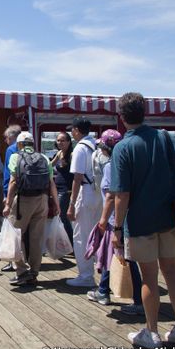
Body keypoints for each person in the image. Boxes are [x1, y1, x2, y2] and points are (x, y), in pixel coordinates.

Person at [111, 92, 175, 349]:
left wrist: (116, 228)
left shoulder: (123, 147)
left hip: (140, 224)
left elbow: (122, 195)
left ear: (122, 117)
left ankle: (152, 333)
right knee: (172, 271)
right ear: (144, 112)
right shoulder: (165, 137)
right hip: (170, 219)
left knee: (149, 278)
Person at [86, 129, 144, 316]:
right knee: (114, 255)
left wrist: (103, 220)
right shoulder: (131, 164)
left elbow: (111, 195)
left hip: (116, 220)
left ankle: (138, 301)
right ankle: (103, 291)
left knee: (126, 258)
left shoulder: (112, 166)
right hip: (131, 217)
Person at [3, 131, 60, 286]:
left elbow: (13, 182)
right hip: (42, 200)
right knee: (37, 237)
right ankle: (34, 272)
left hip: (23, 201)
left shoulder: (16, 157)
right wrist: (56, 203)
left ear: (20, 144)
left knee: (15, 235)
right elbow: (51, 183)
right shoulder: (44, 158)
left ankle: (21, 271)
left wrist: (8, 204)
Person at [66, 116, 101, 287]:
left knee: (81, 235)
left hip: (86, 193)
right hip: (99, 194)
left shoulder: (80, 148)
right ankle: (104, 272)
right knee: (98, 234)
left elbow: (77, 178)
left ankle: (86, 276)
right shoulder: (96, 144)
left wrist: (72, 204)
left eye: (72, 129)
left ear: (77, 130)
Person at [1, 124, 22, 272]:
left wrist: (6, 196)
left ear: (12, 137)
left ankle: (12, 261)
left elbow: (9, 175)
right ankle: (23, 260)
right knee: (23, 229)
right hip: (29, 194)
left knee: (11, 228)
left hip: (13, 194)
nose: (5, 141)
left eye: (6, 138)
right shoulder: (31, 149)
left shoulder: (11, 149)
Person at [51, 131, 74, 243]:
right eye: (58, 140)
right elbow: (50, 165)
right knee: (61, 216)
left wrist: (62, 160)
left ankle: (70, 243)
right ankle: (65, 242)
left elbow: (73, 171)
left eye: (62, 140)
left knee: (62, 216)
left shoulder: (72, 154)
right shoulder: (59, 152)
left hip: (66, 190)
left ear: (69, 142)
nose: (60, 142)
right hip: (58, 188)